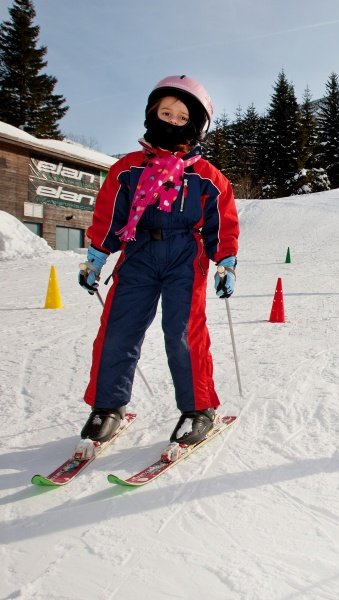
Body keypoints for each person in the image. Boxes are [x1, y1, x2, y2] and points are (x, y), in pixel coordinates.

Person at [77, 75, 239, 449]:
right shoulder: (128, 168)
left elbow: (222, 223)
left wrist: (225, 262)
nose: (170, 121)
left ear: (195, 126)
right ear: (152, 115)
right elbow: (109, 217)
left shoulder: (207, 177)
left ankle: (199, 409)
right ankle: (107, 407)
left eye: (181, 117)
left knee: (182, 332)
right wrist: (95, 258)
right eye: (164, 112)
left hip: (185, 255)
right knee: (119, 330)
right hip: (138, 254)